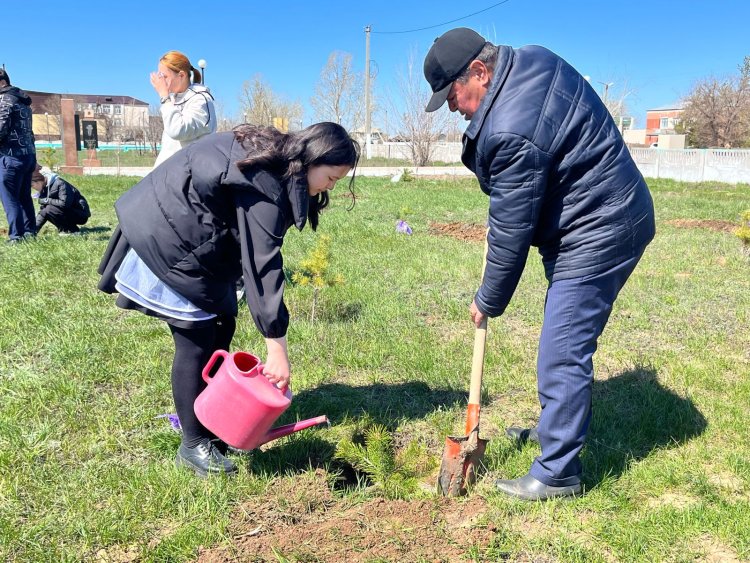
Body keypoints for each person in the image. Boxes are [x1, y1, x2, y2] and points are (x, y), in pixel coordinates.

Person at [423, 28, 656, 501]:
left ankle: (558, 472)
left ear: (480, 73)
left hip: (600, 226)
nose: (453, 109)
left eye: (453, 96)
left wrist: (486, 300)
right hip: (593, 213)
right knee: (562, 336)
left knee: (563, 348)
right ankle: (556, 431)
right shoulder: (530, 58)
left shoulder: (509, 125)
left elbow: (511, 234)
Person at [98, 122, 359, 477]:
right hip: (170, 234)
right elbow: (262, 265)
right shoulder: (264, 180)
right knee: (196, 338)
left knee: (221, 325)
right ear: (312, 158)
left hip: (197, 237)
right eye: (330, 177)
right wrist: (276, 350)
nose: (330, 188)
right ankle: (193, 445)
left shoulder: (279, 160)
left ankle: (211, 424)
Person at [150, 50, 216, 168]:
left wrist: (165, 98)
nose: (161, 81)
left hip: (187, 178)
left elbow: (177, 130)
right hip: (169, 175)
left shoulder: (200, 99)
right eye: (160, 76)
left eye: (164, 76)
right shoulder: (174, 99)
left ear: (181, 75)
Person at [0, 68, 37, 243]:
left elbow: (1, 127)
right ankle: (30, 231)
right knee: (24, 196)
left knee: (9, 197)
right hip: (28, 155)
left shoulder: (4, 99)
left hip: (10, 155)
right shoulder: (22, 100)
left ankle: (16, 236)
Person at [31, 165, 91, 235]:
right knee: (46, 210)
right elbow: (43, 213)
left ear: (39, 181)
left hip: (80, 213)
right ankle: (66, 230)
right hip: (67, 212)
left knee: (49, 208)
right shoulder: (44, 188)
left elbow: (65, 203)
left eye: (32, 185)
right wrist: (33, 230)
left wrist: (47, 200)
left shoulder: (60, 183)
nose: (33, 188)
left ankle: (72, 230)